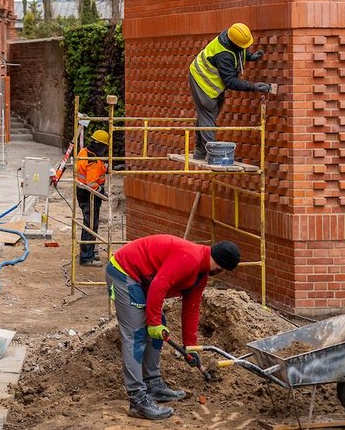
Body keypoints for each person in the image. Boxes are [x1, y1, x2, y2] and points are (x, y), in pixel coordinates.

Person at [105, 234, 241, 420]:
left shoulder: (201, 276)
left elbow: (192, 308)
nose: (220, 271)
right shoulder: (190, 259)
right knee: (136, 335)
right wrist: (153, 323)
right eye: (221, 267)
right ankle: (137, 400)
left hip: (143, 279)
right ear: (217, 260)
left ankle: (153, 385)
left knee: (159, 328)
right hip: (125, 271)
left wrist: (190, 347)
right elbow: (158, 286)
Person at [188, 23, 276, 160]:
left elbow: (238, 49)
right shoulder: (223, 55)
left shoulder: (230, 36)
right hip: (202, 80)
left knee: (207, 114)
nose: (245, 48)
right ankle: (213, 153)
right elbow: (230, 81)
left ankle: (200, 151)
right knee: (208, 113)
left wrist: (250, 56)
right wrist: (252, 86)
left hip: (210, 80)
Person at [75, 129, 109, 266]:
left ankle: (90, 252)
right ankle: (86, 257)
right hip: (90, 194)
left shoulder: (85, 151)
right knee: (90, 225)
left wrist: (106, 167)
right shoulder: (93, 160)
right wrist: (102, 193)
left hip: (83, 192)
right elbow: (92, 183)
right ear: (101, 145)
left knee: (90, 223)